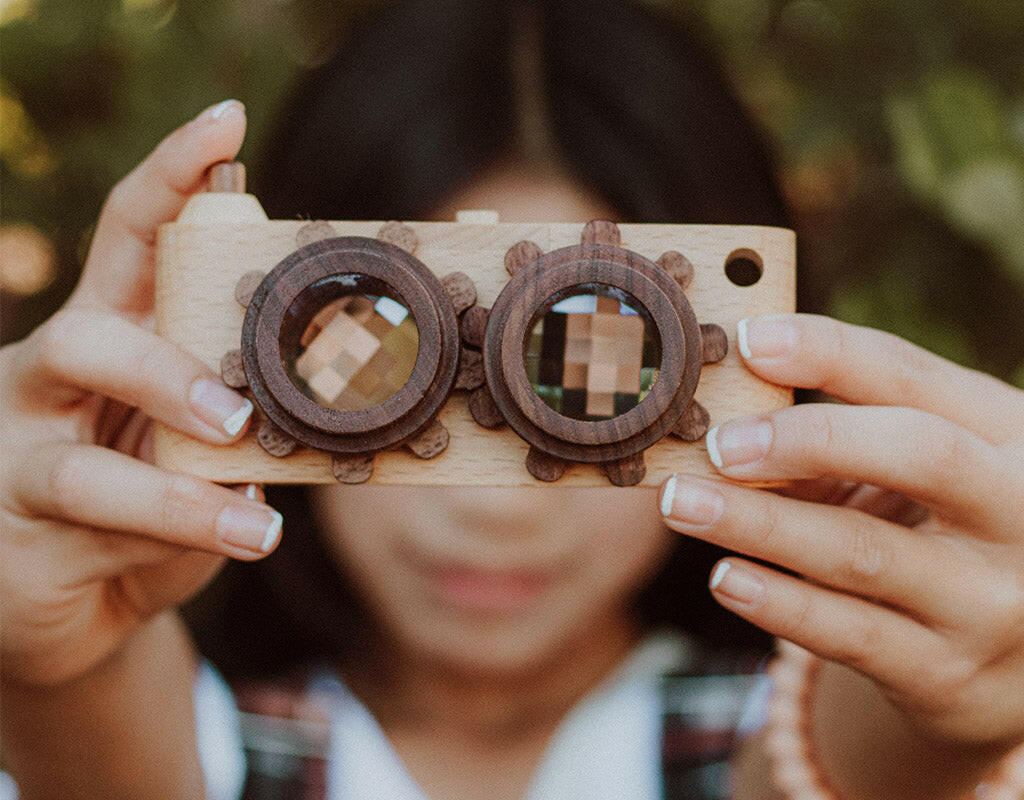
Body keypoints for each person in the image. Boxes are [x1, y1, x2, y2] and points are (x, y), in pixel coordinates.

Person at [2, 2, 1023, 799]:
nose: (497, 508)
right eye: (369, 363)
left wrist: (931, 718)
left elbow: (816, 763)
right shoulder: (214, 734)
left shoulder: (756, 719)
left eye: (593, 380)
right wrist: (59, 677)